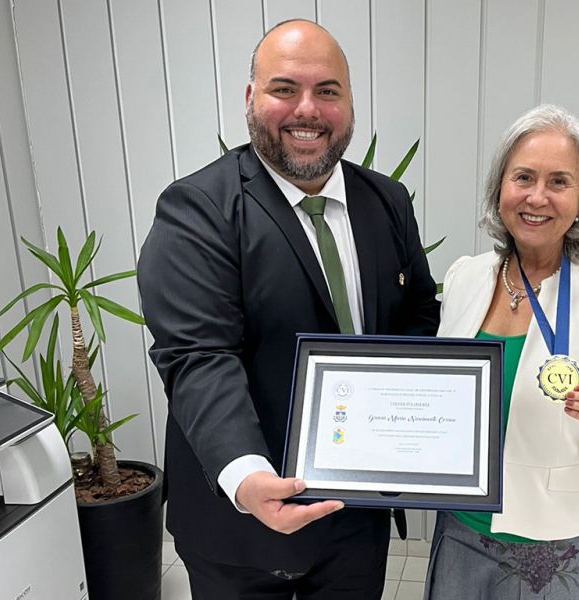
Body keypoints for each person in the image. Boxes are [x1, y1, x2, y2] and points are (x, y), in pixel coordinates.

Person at [137, 19, 439, 600]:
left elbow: (417, 316)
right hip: (243, 524)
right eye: (284, 89)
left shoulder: (387, 201)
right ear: (250, 98)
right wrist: (247, 475)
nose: (308, 109)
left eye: (328, 90)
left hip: (357, 518)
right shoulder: (199, 209)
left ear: (350, 103)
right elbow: (199, 357)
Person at [423, 105, 579, 600]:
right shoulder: (466, 277)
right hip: (459, 526)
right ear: (500, 189)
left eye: (559, 182)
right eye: (523, 177)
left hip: (551, 543)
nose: (536, 197)